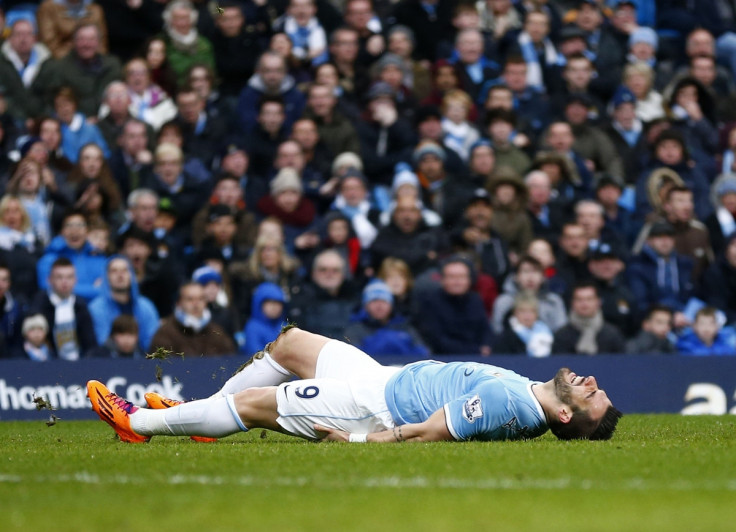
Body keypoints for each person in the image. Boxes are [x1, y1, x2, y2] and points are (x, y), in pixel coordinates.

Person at [87, 326, 622, 444]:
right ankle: (202, 417)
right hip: (382, 380)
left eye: (592, 394)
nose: (591, 380)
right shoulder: (529, 394)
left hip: (370, 405)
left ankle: (137, 422)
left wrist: (360, 441)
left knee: (252, 405)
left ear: (568, 416)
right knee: (291, 343)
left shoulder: (510, 406)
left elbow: (429, 433)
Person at [88, 256, 160, 352]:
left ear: (132, 275)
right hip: (108, 362)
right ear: (106, 277)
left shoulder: (146, 307)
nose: (120, 275)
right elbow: (100, 343)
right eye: (114, 271)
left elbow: (153, 342)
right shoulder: (96, 309)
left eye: (125, 270)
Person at [30, 257, 97, 360]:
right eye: (59, 277)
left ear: (75, 280)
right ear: (49, 280)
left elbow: (90, 343)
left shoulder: (81, 306)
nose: (64, 282)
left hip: (79, 363)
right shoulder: (39, 305)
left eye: (69, 277)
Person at [344, 279, 428, 357]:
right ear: (365, 306)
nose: (379, 305)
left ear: (391, 305)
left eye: (384, 301)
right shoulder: (355, 330)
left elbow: (423, 353)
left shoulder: (405, 327)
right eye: (374, 301)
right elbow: (352, 358)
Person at [150, 281, 236, 357]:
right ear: (179, 303)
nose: (196, 304)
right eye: (190, 299)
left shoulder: (218, 334)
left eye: (200, 299)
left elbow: (230, 363)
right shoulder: (165, 333)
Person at [552, 282, 626, 355]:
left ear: (598, 302)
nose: (584, 304)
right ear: (572, 303)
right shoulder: (562, 335)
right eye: (579, 299)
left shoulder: (612, 334)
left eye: (589, 299)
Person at [493, 292, 554, 357]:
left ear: (537, 314)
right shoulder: (504, 339)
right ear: (515, 313)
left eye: (531, 311)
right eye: (523, 311)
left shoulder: (546, 332)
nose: (527, 316)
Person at [242, 282, 287, 356]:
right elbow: (256, 355)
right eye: (270, 302)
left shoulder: (286, 327)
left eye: (278, 303)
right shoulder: (252, 327)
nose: (274, 307)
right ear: (259, 304)